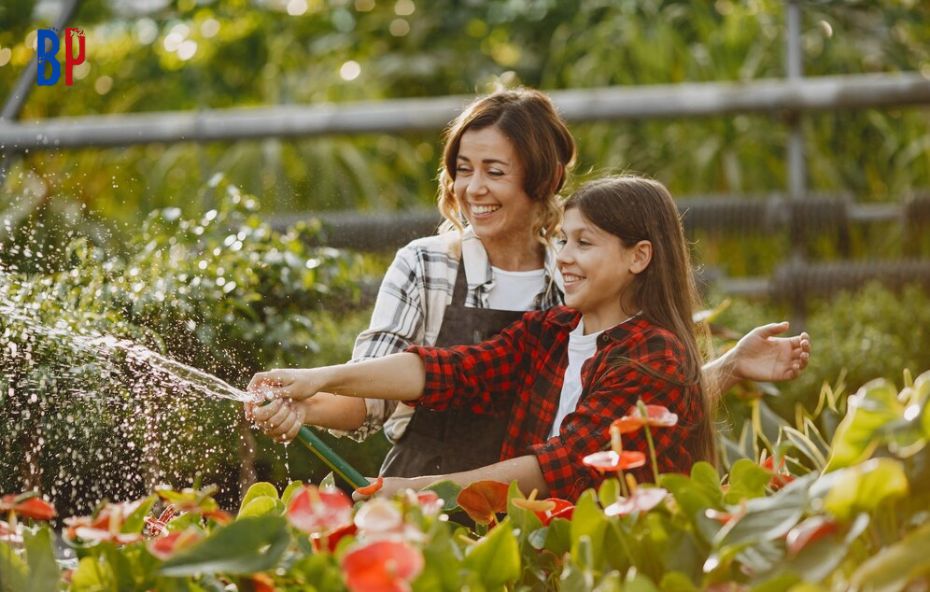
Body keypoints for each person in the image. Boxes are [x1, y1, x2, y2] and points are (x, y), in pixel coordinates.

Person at [245, 88, 810, 480]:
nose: (474, 189)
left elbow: (620, 413)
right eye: (463, 169)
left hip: (527, 500)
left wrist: (729, 366)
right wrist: (304, 403)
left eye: (495, 171)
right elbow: (385, 394)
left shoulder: (571, 287)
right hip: (422, 486)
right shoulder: (427, 265)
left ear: (542, 178)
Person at [248, 176, 721, 499]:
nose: (566, 257)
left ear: (639, 257)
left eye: (584, 243)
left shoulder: (654, 353)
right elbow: (449, 371)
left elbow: (558, 467)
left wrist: (412, 491)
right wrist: (316, 379)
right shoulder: (552, 331)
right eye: (563, 241)